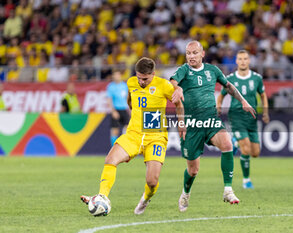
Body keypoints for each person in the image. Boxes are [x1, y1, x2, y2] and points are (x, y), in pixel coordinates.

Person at [80, 57, 184, 215]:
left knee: (152, 181)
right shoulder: (131, 82)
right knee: (110, 159)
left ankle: (146, 198)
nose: (141, 82)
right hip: (134, 134)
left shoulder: (163, 85)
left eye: (145, 79)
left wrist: (181, 123)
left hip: (155, 137)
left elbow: (178, 104)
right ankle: (102, 196)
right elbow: (130, 99)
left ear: (153, 74)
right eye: (139, 77)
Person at [170, 41, 256, 212]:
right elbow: (172, 81)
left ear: (202, 54)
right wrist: (177, 88)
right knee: (193, 170)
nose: (191, 56)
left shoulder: (212, 70)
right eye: (188, 53)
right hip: (191, 124)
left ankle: (228, 190)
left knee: (227, 144)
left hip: (211, 119)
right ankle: (185, 193)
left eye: (194, 53)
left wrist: (243, 101)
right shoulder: (184, 70)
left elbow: (228, 86)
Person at [217, 50, 269, 189]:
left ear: (249, 61)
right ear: (237, 61)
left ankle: (235, 142)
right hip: (236, 116)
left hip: (251, 117)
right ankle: (246, 180)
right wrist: (218, 107)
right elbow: (221, 95)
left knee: (255, 153)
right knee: (246, 150)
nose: (243, 61)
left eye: (245, 58)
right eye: (240, 59)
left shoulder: (257, 78)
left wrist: (265, 112)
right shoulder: (231, 78)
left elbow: (263, 95)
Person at [106, 70, 130, 146]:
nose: (116, 76)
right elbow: (109, 100)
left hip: (124, 110)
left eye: (117, 75)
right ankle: (113, 150)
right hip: (116, 110)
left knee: (127, 130)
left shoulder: (125, 86)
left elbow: (128, 98)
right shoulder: (110, 86)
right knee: (114, 131)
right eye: (115, 75)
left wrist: (130, 109)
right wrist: (113, 111)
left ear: (120, 76)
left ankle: (125, 148)